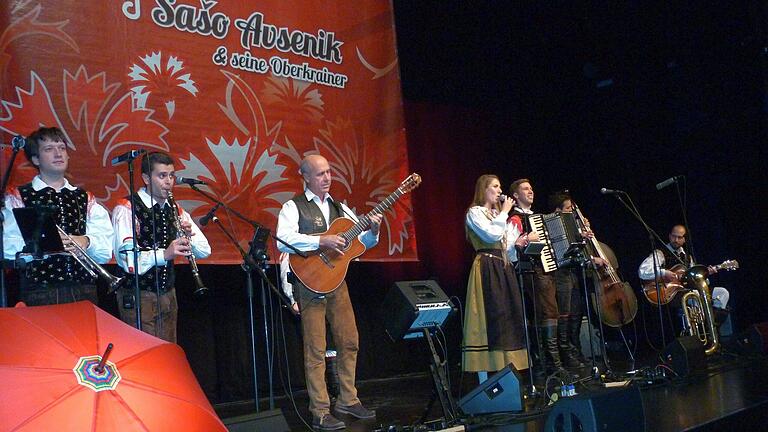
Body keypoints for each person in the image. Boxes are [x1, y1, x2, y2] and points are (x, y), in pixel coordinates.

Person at [276, 154, 382, 431]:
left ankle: (348, 399)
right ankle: (320, 411)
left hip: (337, 282)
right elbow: (284, 239)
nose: (327, 178)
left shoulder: (341, 208)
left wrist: (373, 231)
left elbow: (361, 243)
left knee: (350, 341)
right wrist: (320, 240)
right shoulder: (293, 206)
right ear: (306, 177)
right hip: (309, 285)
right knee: (315, 350)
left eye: (328, 172)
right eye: (320, 174)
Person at [2, 127, 113, 306]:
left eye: (62, 148)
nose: (58, 153)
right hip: (40, 291)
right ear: (35, 159)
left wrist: (86, 241)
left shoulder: (85, 198)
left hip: (84, 290)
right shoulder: (18, 197)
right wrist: (46, 244)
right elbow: (8, 247)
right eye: (49, 149)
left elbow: (106, 250)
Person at [111, 151, 210, 343]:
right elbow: (128, 261)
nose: (169, 181)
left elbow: (205, 251)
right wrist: (164, 254)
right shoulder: (127, 208)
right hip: (138, 295)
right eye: (162, 176)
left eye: (171, 175)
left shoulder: (175, 209)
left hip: (168, 296)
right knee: (144, 358)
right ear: (146, 178)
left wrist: (190, 236)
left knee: (167, 354)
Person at [463, 175, 528, 383]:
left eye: (500, 186)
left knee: (507, 319)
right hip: (487, 267)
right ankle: (484, 381)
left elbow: (506, 245)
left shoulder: (496, 214)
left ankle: (509, 375)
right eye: (495, 186)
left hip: (502, 266)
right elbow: (491, 235)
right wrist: (505, 212)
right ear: (484, 189)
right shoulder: (475, 213)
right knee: (487, 319)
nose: (500, 190)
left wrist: (519, 236)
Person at [508, 178, 563, 375]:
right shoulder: (514, 218)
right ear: (515, 195)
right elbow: (511, 249)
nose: (530, 191)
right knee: (547, 312)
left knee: (548, 312)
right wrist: (525, 240)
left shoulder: (537, 217)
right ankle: (552, 364)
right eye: (525, 189)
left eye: (531, 188)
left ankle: (548, 362)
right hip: (531, 270)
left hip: (545, 270)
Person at [638, 224, 728, 336]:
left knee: (723, 293)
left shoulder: (687, 257)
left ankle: (711, 329)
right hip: (669, 293)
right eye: (673, 236)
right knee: (694, 295)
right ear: (669, 236)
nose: (675, 240)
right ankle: (696, 333)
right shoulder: (660, 253)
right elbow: (642, 271)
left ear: (684, 239)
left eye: (679, 237)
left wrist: (705, 274)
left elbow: (693, 280)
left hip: (686, 289)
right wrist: (664, 273)